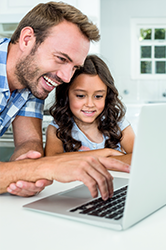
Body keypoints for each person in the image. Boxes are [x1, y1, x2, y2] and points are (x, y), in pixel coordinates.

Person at [0, 2, 130, 200]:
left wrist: (25, 172)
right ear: (27, 39)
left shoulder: (32, 82)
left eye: (74, 67)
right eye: (61, 58)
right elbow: (39, 165)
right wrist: (37, 168)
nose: (67, 78)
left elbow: (29, 141)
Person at [45, 55, 135, 164]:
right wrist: (105, 153)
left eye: (98, 96)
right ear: (66, 95)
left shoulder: (119, 125)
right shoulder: (56, 128)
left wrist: (92, 160)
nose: (90, 104)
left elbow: (138, 158)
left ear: (107, 96)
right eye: (81, 96)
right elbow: (52, 161)